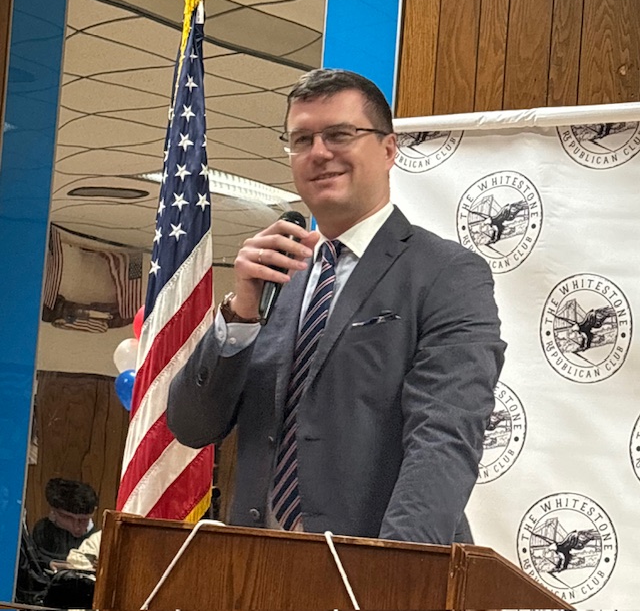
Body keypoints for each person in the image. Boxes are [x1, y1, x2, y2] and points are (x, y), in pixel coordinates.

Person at [167, 68, 506, 544]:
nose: (319, 152)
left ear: (388, 150)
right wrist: (241, 311)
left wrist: (389, 568)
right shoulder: (277, 277)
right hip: (255, 565)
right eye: (302, 139)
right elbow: (192, 426)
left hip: (373, 567)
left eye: (340, 135)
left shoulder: (446, 273)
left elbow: (444, 437)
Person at [31, 478, 98, 568]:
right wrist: (49, 563)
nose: (77, 527)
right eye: (67, 518)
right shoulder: (43, 531)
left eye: (83, 520)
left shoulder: (98, 541)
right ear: (53, 512)